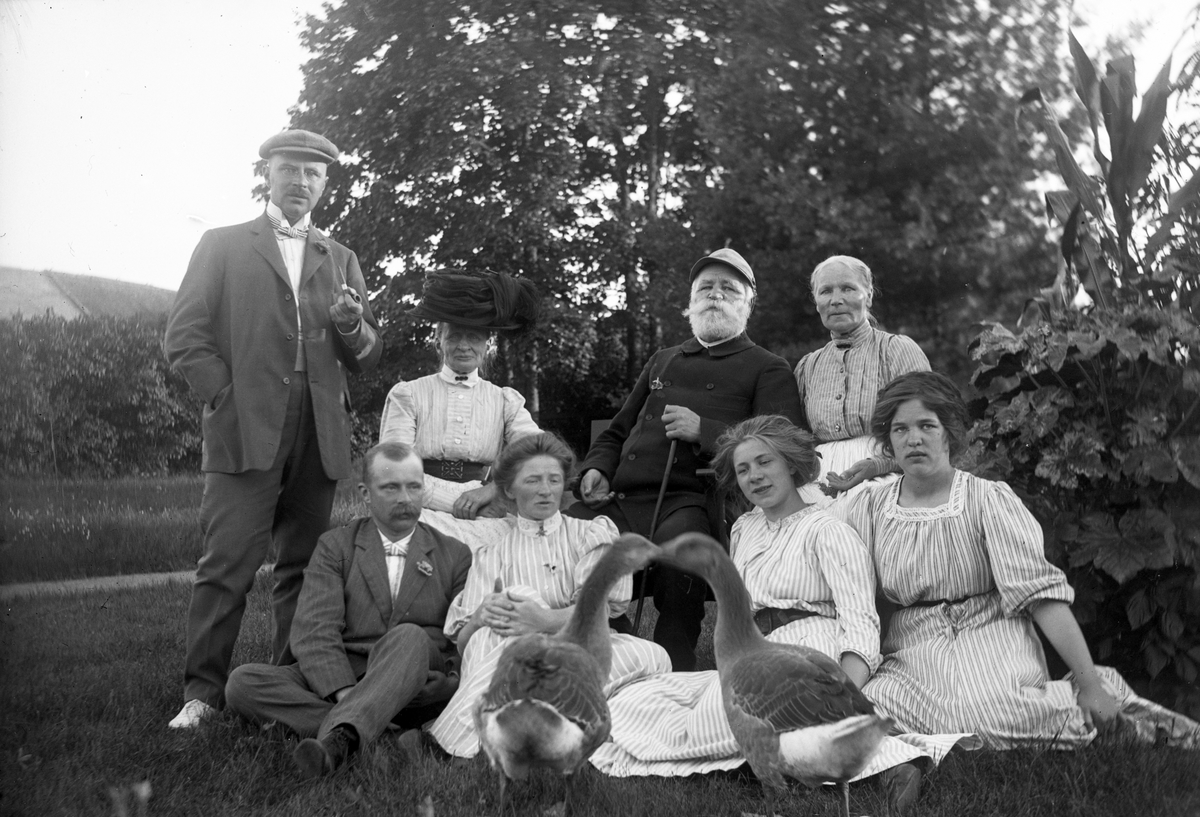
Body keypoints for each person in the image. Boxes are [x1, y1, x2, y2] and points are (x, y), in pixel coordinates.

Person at [589, 416, 966, 816]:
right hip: (753, 655)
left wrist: (843, 696)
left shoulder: (828, 530)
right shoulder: (745, 529)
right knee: (643, 699)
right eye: (743, 469)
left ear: (790, 464)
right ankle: (796, 757)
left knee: (720, 719)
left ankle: (892, 763)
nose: (755, 476)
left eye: (765, 462)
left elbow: (860, 623)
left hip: (807, 648)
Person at [836, 371, 1200, 752]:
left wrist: (1088, 683)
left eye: (927, 425)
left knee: (987, 718)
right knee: (862, 717)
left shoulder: (987, 500)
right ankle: (921, 751)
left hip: (988, 635)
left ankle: (1102, 700)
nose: (914, 439)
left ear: (949, 433)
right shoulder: (870, 507)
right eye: (900, 429)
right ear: (889, 439)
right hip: (913, 649)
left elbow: (1041, 597)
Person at [164, 129, 383, 729]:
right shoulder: (223, 244)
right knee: (227, 564)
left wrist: (351, 325)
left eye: (313, 173)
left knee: (305, 568)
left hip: (321, 430)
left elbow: (368, 355)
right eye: (289, 169)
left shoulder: (340, 257)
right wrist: (226, 397)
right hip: (245, 426)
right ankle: (202, 695)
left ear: (325, 184)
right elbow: (184, 335)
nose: (300, 181)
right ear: (269, 174)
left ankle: (282, 689)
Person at [570, 248, 805, 671]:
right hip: (621, 498)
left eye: (728, 288)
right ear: (691, 300)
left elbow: (782, 443)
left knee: (684, 558)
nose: (715, 295)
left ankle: (673, 669)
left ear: (748, 304)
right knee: (563, 536)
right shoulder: (663, 359)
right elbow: (618, 430)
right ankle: (599, 654)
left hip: (692, 499)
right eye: (706, 287)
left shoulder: (767, 367)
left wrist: (706, 431)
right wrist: (597, 468)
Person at [224, 442, 472, 777]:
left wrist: (453, 681)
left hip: (417, 679)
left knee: (409, 635)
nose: (405, 498)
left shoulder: (455, 553)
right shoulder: (336, 546)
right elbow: (314, 629)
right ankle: (380, 736)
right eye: (391, 488)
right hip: (348, 672)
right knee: (243, 683)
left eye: (414, 487)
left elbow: (463, 635)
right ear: (365, 494)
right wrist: (345, 692)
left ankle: (340, 740)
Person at [420, 432, 671, 757]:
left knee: (655, 656)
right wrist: (480, 617)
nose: (545, 490)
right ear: (509, 489)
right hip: (508, 655)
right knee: (499, 623)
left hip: (584, 649)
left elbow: (599, 609)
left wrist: (542, 620)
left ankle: (466, 735)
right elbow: (466, 645)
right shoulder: (492, 555)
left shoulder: (590, 533)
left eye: (554, 480)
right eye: (533, 480)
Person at [379, 269, 540, 519]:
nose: (464, 346)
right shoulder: (408, 394)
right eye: (454, 337)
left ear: (489, 345)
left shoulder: (505, 401)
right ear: (438, 342)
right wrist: (458, 502)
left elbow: (537, 452)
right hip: (420, 504)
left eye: (474, 338)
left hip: (486, 503)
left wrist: (493, 491)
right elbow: (392, 466)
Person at [793, 255, 929, 496]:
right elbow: (798, 440)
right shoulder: (808, 367)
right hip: (821, 481)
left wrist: (879, 465)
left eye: (847, 288)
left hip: (890, 477)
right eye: (825, 291)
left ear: (868, 295)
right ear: (816, 302)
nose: (836, 300)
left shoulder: (896, 350)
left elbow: (927, 430)